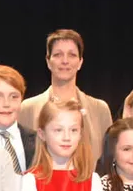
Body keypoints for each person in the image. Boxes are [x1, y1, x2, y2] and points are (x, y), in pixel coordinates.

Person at [18, 29, 113, 160]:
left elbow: (109, 158)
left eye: (72, 55)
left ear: (80, 62)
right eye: (58, 54)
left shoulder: (100, 109)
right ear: (48, 61)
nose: (65, 61)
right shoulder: (28, 108)